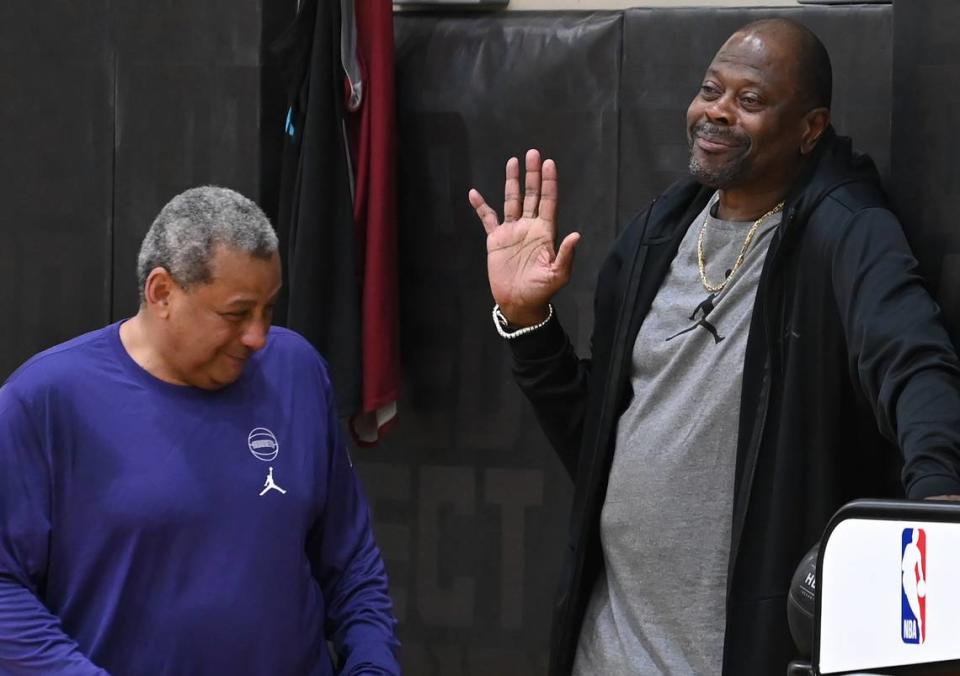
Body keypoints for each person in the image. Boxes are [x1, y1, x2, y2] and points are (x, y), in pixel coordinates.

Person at [469, 18, 960, 676]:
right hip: (606, 653)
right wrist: (527, 322)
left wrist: (938, 507)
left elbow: (914, 363)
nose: (716, 112)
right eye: (710, 90)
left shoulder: (845, 235)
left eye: (750, 100)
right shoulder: (656, 236)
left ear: (810, 128)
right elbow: (597, 443)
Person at [0, 187, 400, 674]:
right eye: (237, 314)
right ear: (162, 292)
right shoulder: (46, 400)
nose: (258, 336)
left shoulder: (296, 370)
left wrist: (373, 666)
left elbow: (350, 559)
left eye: (268, 309)